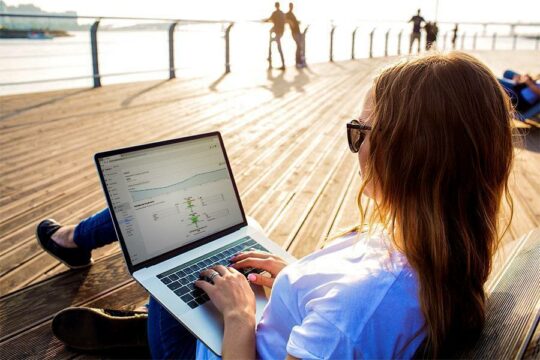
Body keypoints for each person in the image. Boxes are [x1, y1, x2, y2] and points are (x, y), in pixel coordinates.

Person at [41, 52, 514, 358]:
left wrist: (239, 317)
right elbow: (343, 308)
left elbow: (347, 319)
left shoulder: (356, 310)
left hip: (228, 343)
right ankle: (115, 282)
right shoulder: (435, 248)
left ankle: (80, 250)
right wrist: (294, 278)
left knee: (157, 225)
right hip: (270, 319)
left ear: (406, 154)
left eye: (360, 132)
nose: (355, 144)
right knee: (191, 231)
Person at [266, 2, 286, 70]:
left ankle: (282, 64)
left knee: (279, 48)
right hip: (279, 32)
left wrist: (266, 20)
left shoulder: (276, 13)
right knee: (272, 42)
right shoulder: (281, 13)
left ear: (276, 6)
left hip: (278, 33)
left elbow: (269, 19)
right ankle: (269, 58)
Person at [285, 2, 305, 68]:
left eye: (292, 6)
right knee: (298, 46)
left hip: (297, 32)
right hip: (294, 33)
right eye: (291, 6)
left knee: (299, 47)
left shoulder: (292, 14)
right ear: (289, 6)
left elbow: (293, 22)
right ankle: (297, 62)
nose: (291, 7)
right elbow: (285, 20)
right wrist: (290, 22)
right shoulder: (288, 14)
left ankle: (300, 61)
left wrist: (297, 22)